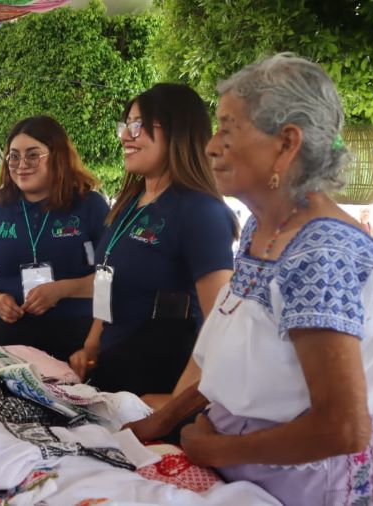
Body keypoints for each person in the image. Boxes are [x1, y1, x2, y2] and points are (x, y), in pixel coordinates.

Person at [129, 54, 373, 506]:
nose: (212, 146)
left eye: (227, 129)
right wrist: (163, 421)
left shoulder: (321, 254)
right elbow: (242, 355)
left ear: (286, 144)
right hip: (250, 472)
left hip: (314, 486)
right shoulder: (265, 228)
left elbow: (342, 428)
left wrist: (216, 447)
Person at [68, 84, 236, 401]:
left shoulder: (201, 211)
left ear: (179, 130)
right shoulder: (130, 203)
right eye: (125, 125)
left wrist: (173, 404)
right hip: (114, 371)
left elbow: (221, 324)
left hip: (162, 382)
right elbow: (109, 280)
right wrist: (92, 345)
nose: (125, 137)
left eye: (138, 126)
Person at [0, 115, 110, 362]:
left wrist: (63, 290)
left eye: (33, 155)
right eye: (14, 155)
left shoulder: (89, 206)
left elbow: (111, 277)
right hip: (8, 334)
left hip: (75, 337)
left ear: (58, 157)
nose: (21, 164)